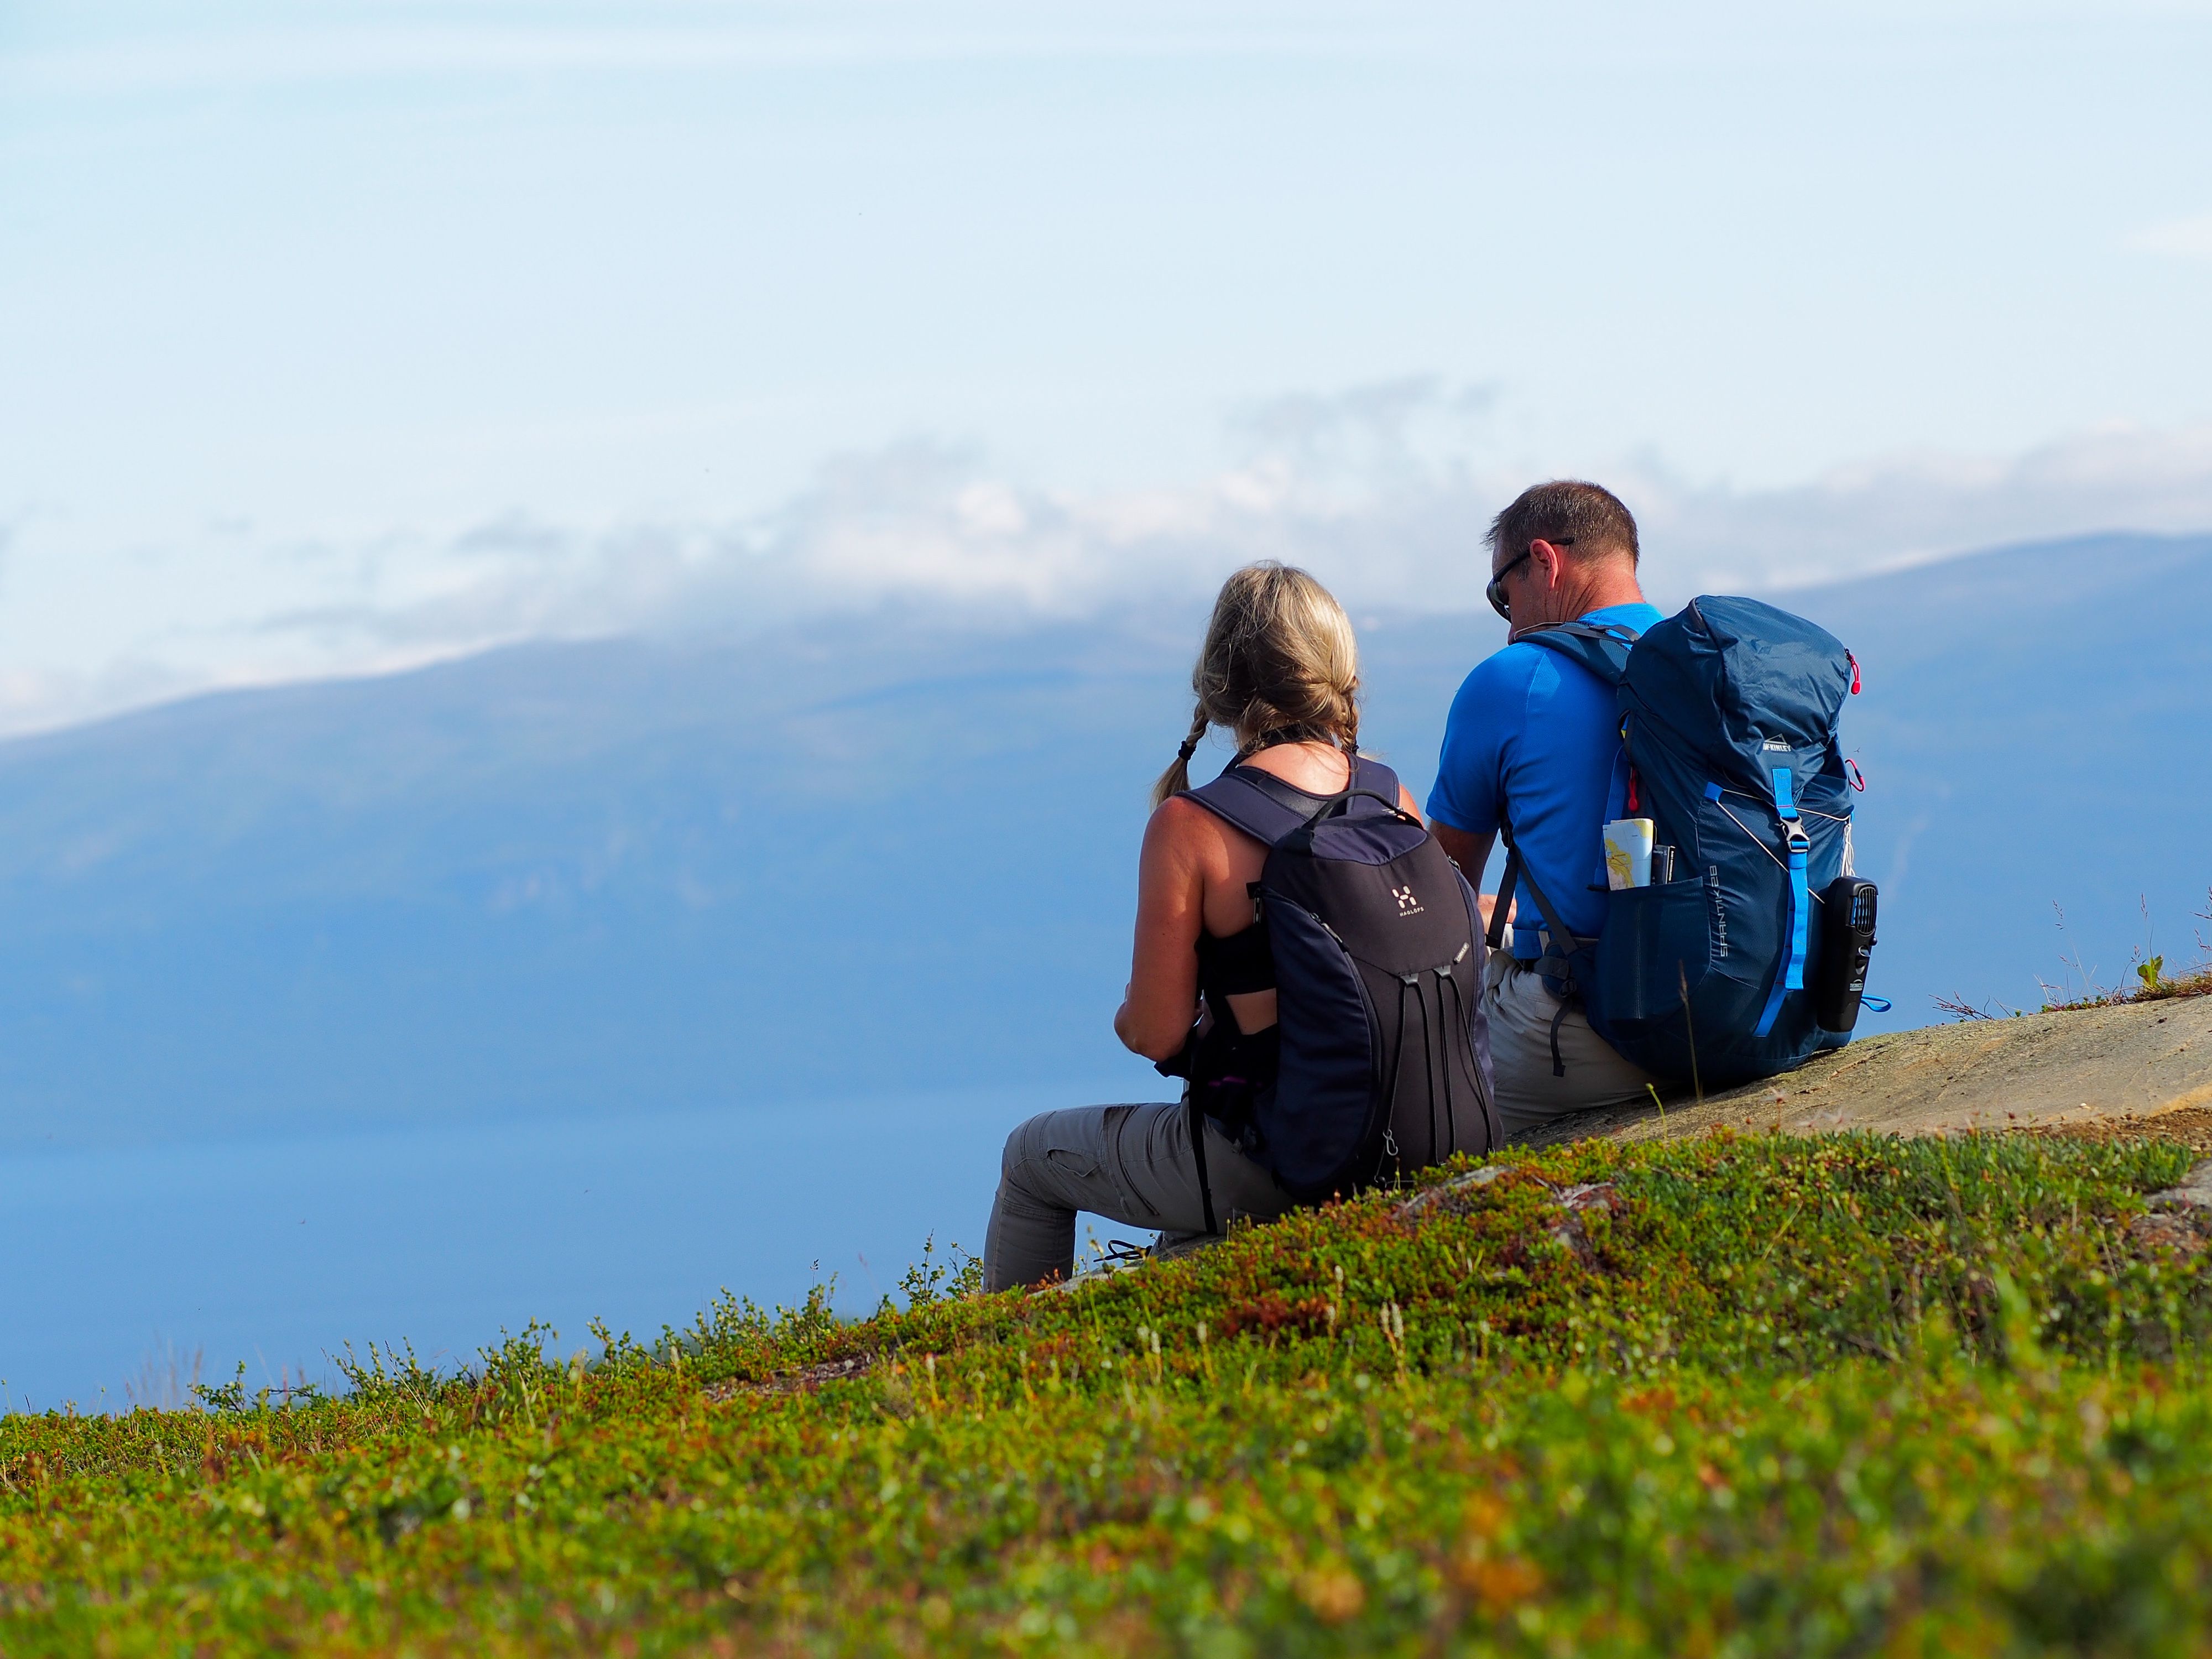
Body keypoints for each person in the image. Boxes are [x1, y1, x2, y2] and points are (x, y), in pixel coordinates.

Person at [982, 563, 1455, 1292]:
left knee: (1029, 1159)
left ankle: (999, 1389)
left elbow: (1157, 1034)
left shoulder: (1193, 826)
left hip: (1288, 1159)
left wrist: (1131, 1014)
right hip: (1426, 1132)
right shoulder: (1393, 797)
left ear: (1219, 679)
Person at [1426, 480, 1665, 1140]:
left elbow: (1431, 896)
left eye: (1502, 594)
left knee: (1386, 1104)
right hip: (1745, 1010)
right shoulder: (1710, 664)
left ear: (1544, 561)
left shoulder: (1513, 678)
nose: (1508, 622)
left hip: (1595, 1034)